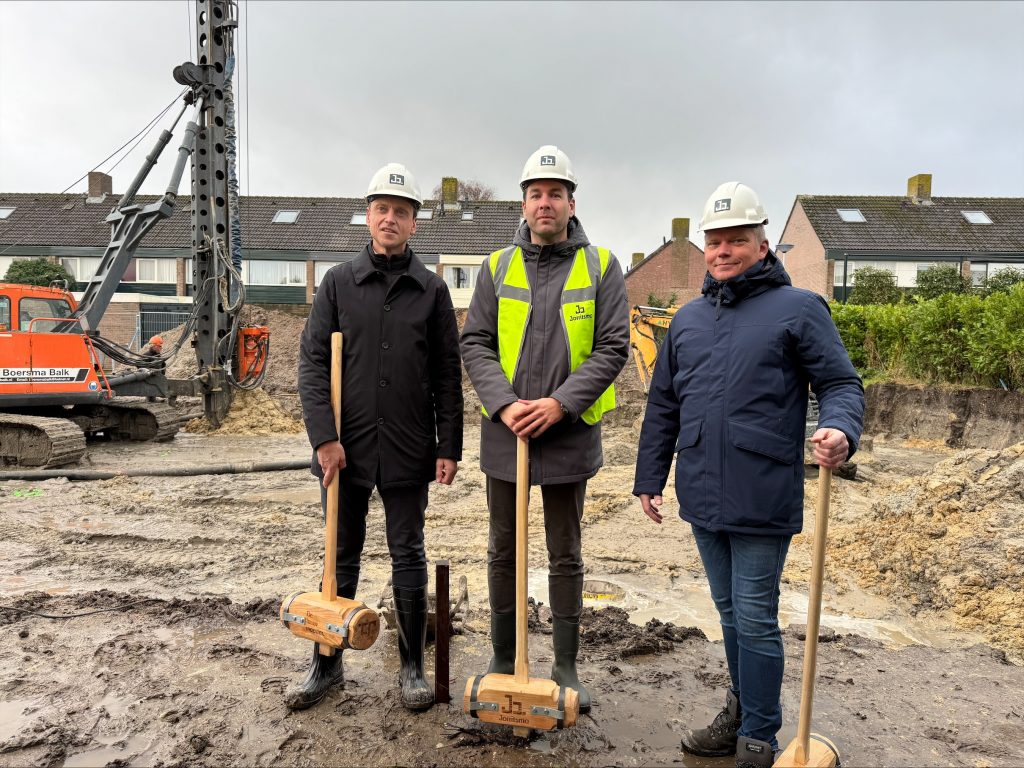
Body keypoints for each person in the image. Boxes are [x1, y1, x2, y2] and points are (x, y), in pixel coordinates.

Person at [632, 181, 865, 767]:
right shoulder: (685, 322)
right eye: (715, 241)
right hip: (703, 490)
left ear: (763, 246)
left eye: (738, 240)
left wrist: (841, 431)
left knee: (756, 615)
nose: (723, 251)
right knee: (729, 611)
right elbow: (664, 404)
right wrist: (649, 476)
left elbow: (840, 383)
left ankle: (759, 735)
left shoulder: (800, 310)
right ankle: (739, 709)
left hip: (763, 491)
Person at [461, 145, 629, 713]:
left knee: (565, 552)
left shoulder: (603, 266)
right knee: (503, 549)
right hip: (506, 436)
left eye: (555, 194)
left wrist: (559, 404)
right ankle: (504, 658)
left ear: (571, 202)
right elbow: (476, 343)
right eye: (535, 194)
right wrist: (505, 405)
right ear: (525, 203)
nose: (545, 203)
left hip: (569, 434)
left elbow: (612, 348)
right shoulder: (495, 266)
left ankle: (565, 663)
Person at [295, 162, 463, 712]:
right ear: (367, 216)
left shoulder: (432, 291)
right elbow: (313, 364)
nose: (390, 218)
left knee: (407, 552)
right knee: (338, 556)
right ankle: (327, 664)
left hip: (410, 447)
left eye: (402, 211)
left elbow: (446, 374)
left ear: (415, 222)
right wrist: (324, 438)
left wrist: (448, 446)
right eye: (382, 209)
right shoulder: (339, 283)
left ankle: (412, 665)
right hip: (346, 450)